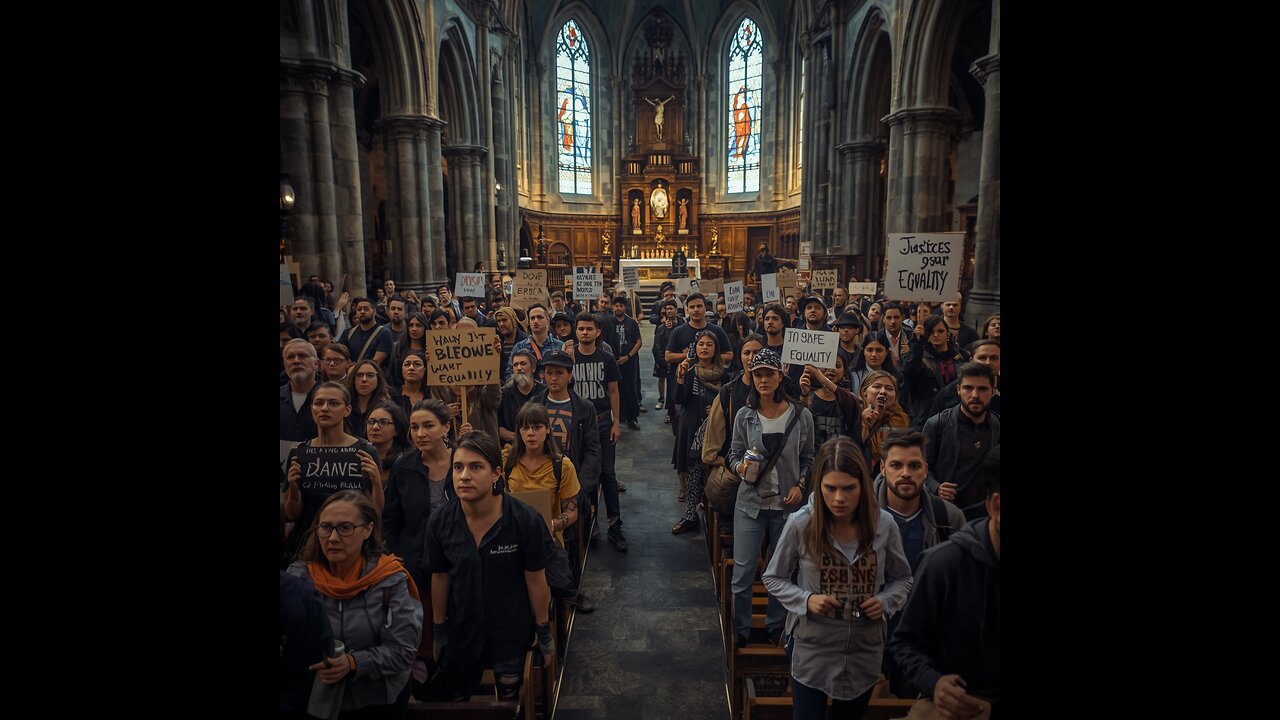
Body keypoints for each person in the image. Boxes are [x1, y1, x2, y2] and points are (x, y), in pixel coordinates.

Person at [763, 436, 912, 720]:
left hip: (863, 649)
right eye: (830, 488)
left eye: (849, 489)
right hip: (813, 645)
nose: (839, 499)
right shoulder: (802, 523)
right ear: (818, 486)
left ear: (863, 487)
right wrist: (806, 599)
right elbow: (773, 577)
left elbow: (903, 578)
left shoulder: (884, 525)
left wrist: (885, 601)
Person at [425, 431, 555, 701]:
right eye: (458, 467)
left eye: (476, 467)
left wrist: (543, 629)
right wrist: (438, 629)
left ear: (496, 473)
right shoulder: (440, 522)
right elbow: (440, 577)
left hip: (510, 635)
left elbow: (535, 579)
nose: (464, 476)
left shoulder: (525, 521)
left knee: (511, 701)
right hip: (462, 632)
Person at [288, 490, 422, 717]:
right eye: (325, 527)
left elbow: (402, 650)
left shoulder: (389, 579)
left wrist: (352, 663)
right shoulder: (298, 579)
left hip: (378, 700)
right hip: (314, 699)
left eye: (345, 528)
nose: (332, 538)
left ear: (368, 530)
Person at [890, 448, 1000, 717]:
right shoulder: (945, 564)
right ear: (995, 505)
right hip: (955, 702)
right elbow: (905, 642)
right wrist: (934, 682)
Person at [727, 348, 815, 649]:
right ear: (751, 378)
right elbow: (733, 454)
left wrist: (801, 485)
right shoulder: (745, 415)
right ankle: (741, 628)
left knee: (782, 570)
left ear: (780, 376)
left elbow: (809, 457)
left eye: (769, 373)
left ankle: (776, 625)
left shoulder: (801, 415)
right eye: (758, 374)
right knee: (743, 571)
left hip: (786, 506)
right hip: (751, 502)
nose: (763, 379)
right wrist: (741, 467)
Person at [872, 429, 965, 699]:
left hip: (926, 641)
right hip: (873, 639)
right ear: (883, 467)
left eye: (914, 466)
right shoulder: (862, 516)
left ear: (925, 469)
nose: (905, 473)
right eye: (896, 465)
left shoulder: (948, 517)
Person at [527, 350, 602, 611]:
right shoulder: (534, 405)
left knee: (570, 540)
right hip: (539, 482)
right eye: (549, 372)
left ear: (570, 375)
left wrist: (582, 486)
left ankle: (570, 590)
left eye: (559, 372)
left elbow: (592, 450)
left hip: (571, 482)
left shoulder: (584, 408)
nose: (553, 377)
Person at [283, 382, 385, 560]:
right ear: (311, 408)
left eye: (333, 403)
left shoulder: (365, 451)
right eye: (319, 403)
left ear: (347, 410)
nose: (324, 408)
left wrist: (376, 481)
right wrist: (293, 487)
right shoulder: (299, 452)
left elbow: (374, 513)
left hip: (353, 547)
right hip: (307, 546)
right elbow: (291, 514)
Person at [563, 313, 628, 552]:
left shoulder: (606, 358)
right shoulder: (570, 358)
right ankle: (589, 522)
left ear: (597, 332)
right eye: (580, 329)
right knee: (583, 474)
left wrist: (616, 421)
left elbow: (613, 392)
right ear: (575, 332)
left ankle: (614, 523)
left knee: (608, 474)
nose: (584, 333)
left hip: (601, 421)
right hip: (578, 424)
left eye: (589, 329)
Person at [921, 362, 1000, 521]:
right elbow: (921, 468)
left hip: (987, 517)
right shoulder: (937, 425)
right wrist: (936, 487)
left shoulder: (998, 426)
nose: (975, 395)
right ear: (958, 390)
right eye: (968, 388)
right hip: (947, 516)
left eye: (982, 389)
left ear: (993, 392)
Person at [672, 330, 726, 504]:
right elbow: (679, 400)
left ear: (715, 349)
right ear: (695, 348)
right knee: (687, 459)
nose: (704, 348)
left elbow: (729, 398)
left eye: (709, 345)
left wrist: (718, 409)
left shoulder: (723, 373)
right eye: (701, 344)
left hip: (715, 425)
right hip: (691, 422)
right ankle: (685, 489)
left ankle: (706, 492)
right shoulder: (689, 369)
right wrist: (680, 378)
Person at [902, 315, 970, 427]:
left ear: (947, 333)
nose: (936, 335)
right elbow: (908, 373)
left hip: (957, 411)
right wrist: (917, 342)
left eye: (940, 331)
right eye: (931, 331)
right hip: (928, 413)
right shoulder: (919, 356)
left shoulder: (961, 355)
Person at [799, 355, 860, 449]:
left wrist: (820, 377)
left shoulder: (850, 398)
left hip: (842, 456)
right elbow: (802, 421)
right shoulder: (810, 396)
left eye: (837, 365)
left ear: (844, 372)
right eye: (825, 364)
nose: (831, 369)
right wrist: (805, 393)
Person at [858, 370, 911, 477]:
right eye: (877, 386)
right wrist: (866, 424)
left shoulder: (900, 419)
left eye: (889, 388)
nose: (883, 391)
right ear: (864, 392)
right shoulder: (853, 415)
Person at [602, 295, 643, 429]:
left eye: (621, 305)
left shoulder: (632, 323)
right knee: (614, 389)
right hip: (612, 361)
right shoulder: (607, 322)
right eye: (616, 305)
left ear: (625, 307)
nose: (618, 308)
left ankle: (632, 417)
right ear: (612, 306)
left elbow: (638, 341)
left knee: (630, 388)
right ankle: (618, 418)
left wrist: (629, 356)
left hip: (629, 361)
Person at [498, 349, 543, 445]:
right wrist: (520, 437)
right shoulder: (504, 394)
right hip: (512, 448)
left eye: (523, 364)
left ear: (533, 368)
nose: (519, 368)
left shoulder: (544, 392)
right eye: (515, 365)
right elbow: (498, 427)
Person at [509, 304, 564, 380]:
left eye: (539, 317)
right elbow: (510, 374)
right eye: (532, 318)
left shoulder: (559, 346)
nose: (535, 321)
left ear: (547, 321)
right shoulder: (519, 347)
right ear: (529, 322)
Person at [344, 360, 393, 439]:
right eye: (359, 375)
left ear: (378, 380)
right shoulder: (343, 406)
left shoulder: (387, 408)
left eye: (370, 375)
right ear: (353, 379)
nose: (364, 379)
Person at [365, 402, 410, 482]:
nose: (375, 427)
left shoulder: (405, 462)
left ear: (397, 430)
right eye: (371, 422)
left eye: (383, 423)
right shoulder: (360, 456)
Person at [493, 306, 528, 385]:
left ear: (513, 321)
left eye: (504, 320)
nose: (501, 324)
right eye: (499, 321)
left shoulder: (526, 341)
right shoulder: (496, 341)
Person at [391, 350, 429, 418]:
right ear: (401, 369)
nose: (411, 368)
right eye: (407, 364)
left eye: (417, 364)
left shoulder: (432, 396)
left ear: (425, 370)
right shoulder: (390, 396)